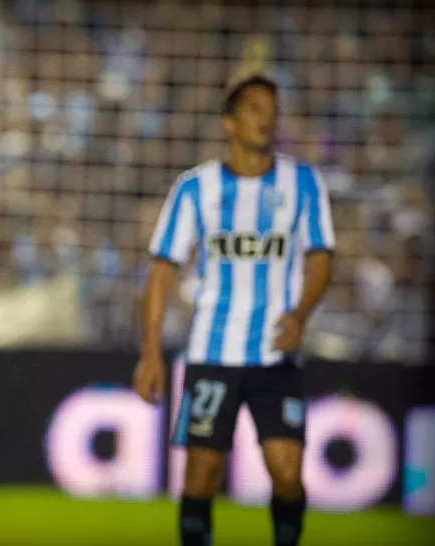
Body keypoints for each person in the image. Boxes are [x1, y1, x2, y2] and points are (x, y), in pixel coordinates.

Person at [133, 74, 335, 546]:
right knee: (201, 476)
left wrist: (301, 314)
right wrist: (150, 352)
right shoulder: (194, 188)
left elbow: (323, 259)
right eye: (254, 108)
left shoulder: (303, 183)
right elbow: (163, 272)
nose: (266, 118)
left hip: (276, 356)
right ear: (229, 121)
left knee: (287, 474)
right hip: (212, 354)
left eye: (272, 108)